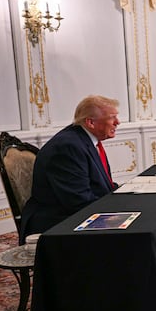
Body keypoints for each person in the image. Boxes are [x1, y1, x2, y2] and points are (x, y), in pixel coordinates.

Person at [20, 95, 120, 243]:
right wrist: (118, 208)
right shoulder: (68, 147)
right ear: (91, 122)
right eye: (112, 118)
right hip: (58, 221)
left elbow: (99, 185)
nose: (118, 122)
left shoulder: (84, 140)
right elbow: (79, 201)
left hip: (74, 211)